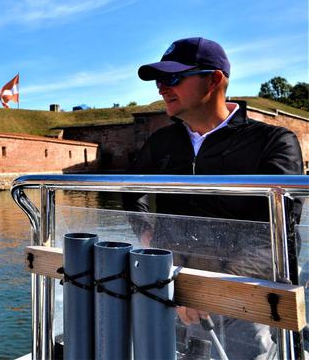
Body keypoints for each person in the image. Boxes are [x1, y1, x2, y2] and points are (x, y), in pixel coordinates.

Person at [126, 37, 304, 358]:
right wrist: (147, 234)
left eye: (173, 78)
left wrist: (212, 290)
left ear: (214, 79)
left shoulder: (273, 142)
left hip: (243, 298)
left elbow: (278, 234)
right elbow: (130, 192)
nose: (161, 88)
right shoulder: (161, 142)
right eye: (159, 80)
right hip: (172, 287)